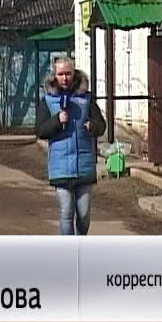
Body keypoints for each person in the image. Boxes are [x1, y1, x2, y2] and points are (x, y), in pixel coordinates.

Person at [36, 58, 106, 235]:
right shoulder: (48, 101)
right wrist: (57, 121)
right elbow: (41, 131)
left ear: (74, 74)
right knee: (66, 212)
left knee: (84, 215)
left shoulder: (86, 99)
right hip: (60, 168)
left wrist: (93, 126)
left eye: (68, 73)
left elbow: (101, 125)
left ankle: (80, 242)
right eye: (60, 74)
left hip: (84, 166)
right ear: (54, 75)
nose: (64, 78)